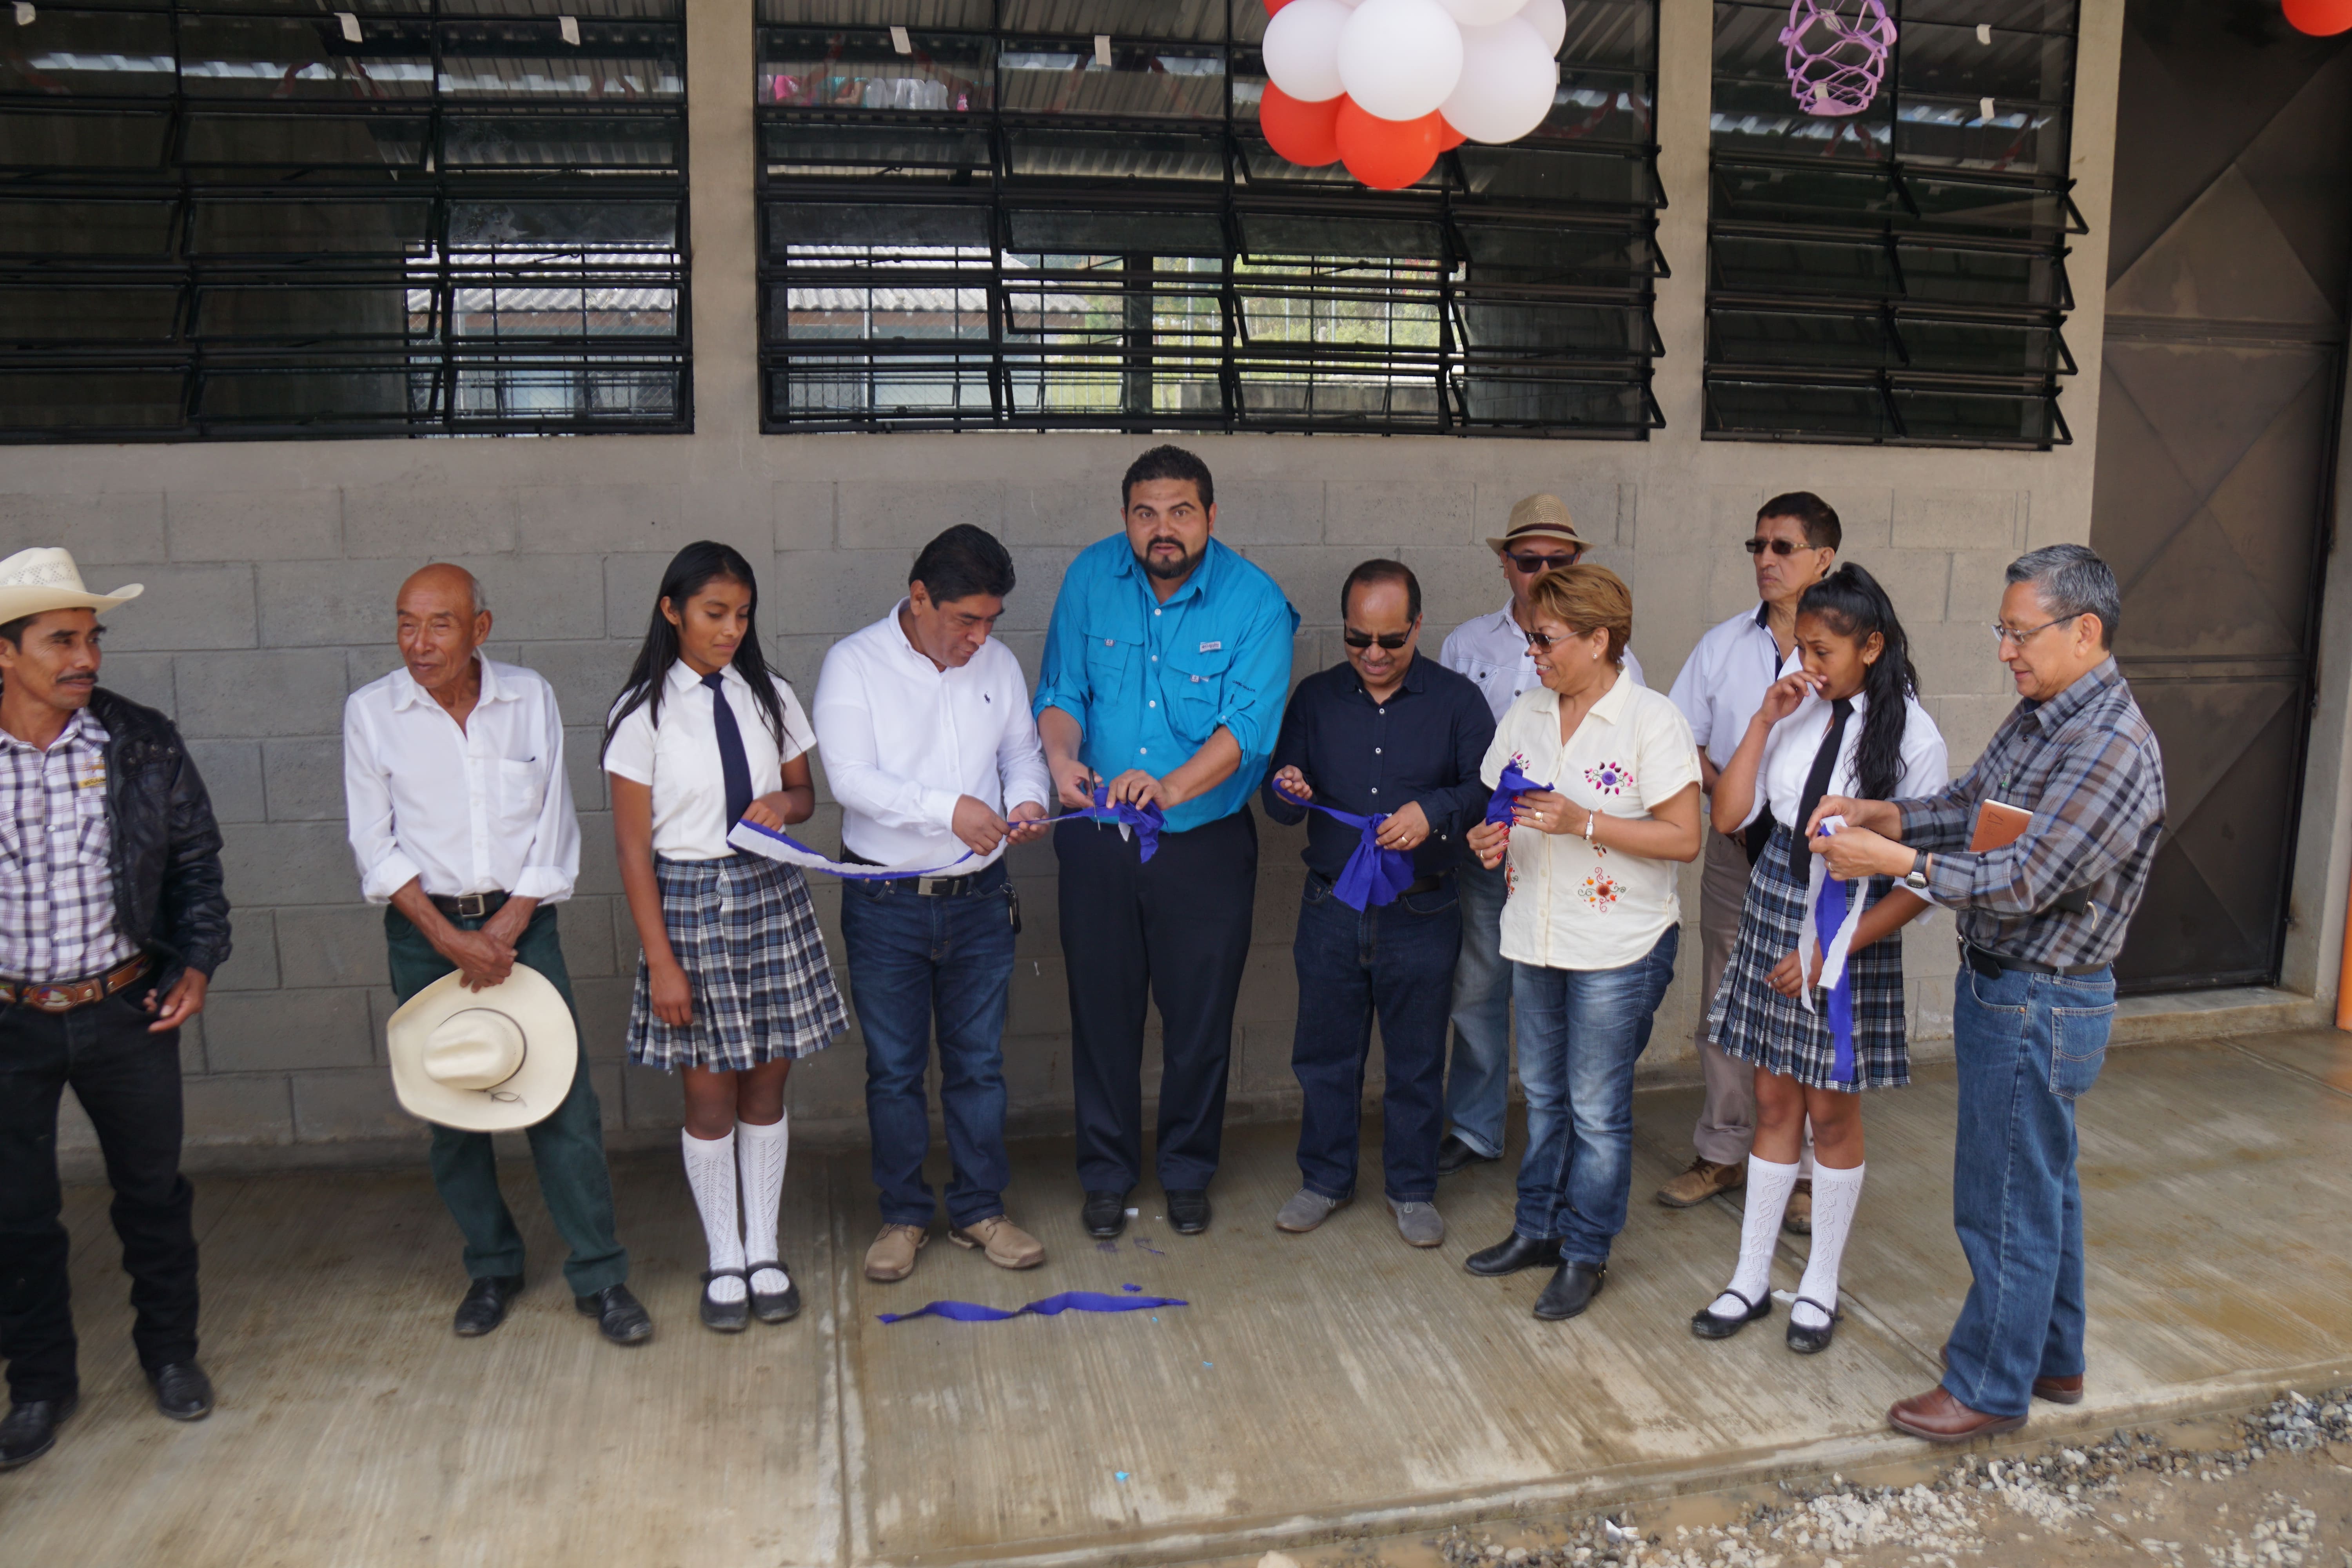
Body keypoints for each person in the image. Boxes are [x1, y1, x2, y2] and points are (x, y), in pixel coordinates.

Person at [1804, 545, 2163, 1442]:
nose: (2005, 650)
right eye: (2001, 631)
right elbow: (1971, 808)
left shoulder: (2110, 745)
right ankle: (2052, 1355)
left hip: (2041, 997)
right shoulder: (2044, 715)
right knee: (2041, 1186)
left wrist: (1892, 859)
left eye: (2019, 633)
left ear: (2084, 630)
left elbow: (2025, 876)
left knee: (2001, 1196)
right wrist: (1887, 813)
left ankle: (1990, 1384)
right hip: (2012, 989)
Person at [343, 564, 650, 1348]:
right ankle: (492, 1266)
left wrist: (505, 930)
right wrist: (450, 938)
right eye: (406, 623)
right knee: (451, 1107)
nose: (419, 643)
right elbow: (374, 843)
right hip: (425, 934)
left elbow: (553, 823)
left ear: (480, 629)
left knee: (565, 1106)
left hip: (524, 927)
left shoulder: (528, 698)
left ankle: (600, 1275)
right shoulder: (372, 712)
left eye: (439, 624)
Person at [1034, 445, 1299, 1240]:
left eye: (1181, 511)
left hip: (1203, 847)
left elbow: (1249, 728)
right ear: (1125, 518)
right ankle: (1106, 1173)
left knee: (1199, 1021)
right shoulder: (1090, 578)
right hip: (1098, 839)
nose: (1163, 528)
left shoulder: (1255, 600)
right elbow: (1061, 690)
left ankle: (1187, 1170)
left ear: (1210, 516)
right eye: (1146, 513)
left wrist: (1171, 788)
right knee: (1101, 1014)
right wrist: (1060, 759)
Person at [0, 548, 228, 1470]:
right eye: (62, 640)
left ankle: (171, 1355)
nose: (85, 657)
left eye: (92, 638)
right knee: (17, 1213)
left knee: (153, 1196)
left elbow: (197, 865)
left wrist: (197, 962)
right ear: (4, 652)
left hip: (125, 1006)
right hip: (9, 1019)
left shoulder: (139, 739)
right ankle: (39, 1385)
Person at [1686, 565, 1946, 1354]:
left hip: (1851, 925)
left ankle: (1820, 1283)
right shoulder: (1796, 710)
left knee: (1831, 1112)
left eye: (1823, 650)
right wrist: (1764, 720)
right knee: (1773, 1102)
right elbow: (1730, 815)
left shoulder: (1914, 737)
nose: (1807, 664)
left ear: (1872, 646)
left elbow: (1925, 881)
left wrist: (1830, 950)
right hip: (1776, 902)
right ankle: (1750, 1276)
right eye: (1800, 647)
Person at [604, 542, 849, 1334]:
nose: (731, 630)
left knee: (767, 1086)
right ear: (672, 611)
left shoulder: (770, 694)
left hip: (770, 892)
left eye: (743, 615)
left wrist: (784, 806)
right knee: (710, 1092)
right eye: (714, 613)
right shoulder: (641, 713)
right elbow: (632, 850)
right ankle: (724, 1254)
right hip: (688, 903)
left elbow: (805, 794)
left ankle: (764, 1248)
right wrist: (661, 960)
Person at [812, 526, 1053, 1284]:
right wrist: (948, 810)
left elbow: (1020, 752)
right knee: (894, 1069)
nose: (980, 638)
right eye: (965, 621)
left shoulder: (998, 664)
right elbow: (849, 778)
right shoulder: (854, 663)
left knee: (979, 1065)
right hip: (887, 901)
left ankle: (980, 1210)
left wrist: (1027, 800)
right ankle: (904, 1215)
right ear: (920, 598)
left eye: (991, 621)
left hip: (980, 899)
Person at [1462, 565, 1702, 1322]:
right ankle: (1537, 1228)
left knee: (1596, 1110)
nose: (1531, 652)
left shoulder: (1651, 720)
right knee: (1543, 1097)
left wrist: (1584, 822)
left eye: (1545, 639)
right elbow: (1500, 805)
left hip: (1618, 946)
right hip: (1535, 935)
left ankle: (1585, 1251)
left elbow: (1684, 838)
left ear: (1600, 640)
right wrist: (1488, 839)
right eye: (1530, 638)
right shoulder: (1527, 712)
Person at [1262, 561, 1495, 1249]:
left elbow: (1486, 791)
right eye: (1357, 638)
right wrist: (1288, 785)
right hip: (1331, 906)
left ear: (1417, 627)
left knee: (1416, 1061)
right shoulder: (1315, 698)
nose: (1372, 654)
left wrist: (1434, 810)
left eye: (1390, 640)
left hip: (1421, 911)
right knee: (1324, 1056)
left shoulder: (1457, 702)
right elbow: (1279, 804)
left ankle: (1412, 1189)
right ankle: (1325, 1179)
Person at [1436, 495, 1643, 1179]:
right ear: (1505, 564)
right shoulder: (1468, 645)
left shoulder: (1623, 664)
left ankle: (1572, 1138)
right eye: (1529, 560)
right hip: (1496, 848)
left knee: (1569, 1006)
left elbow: (1631, 769)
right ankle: (1476, 1127)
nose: (1544, 571)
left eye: (1560, 559)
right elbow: (1450, 750)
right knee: (1478, 989)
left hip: (1578, 861)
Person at [1657, 492, 1842, 1227]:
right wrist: (1729, 796)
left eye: (1782, 547)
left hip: (1822, 860)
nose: (1765, 559)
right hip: (1738, 850)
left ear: (1824, 559)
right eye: (1757, 546)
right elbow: (1681, 737)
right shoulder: (1723, 646)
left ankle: (1807, 1171)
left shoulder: (1855, 648)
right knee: (1727, 1000)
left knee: (1814, 1001)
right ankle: (1724, 1150)